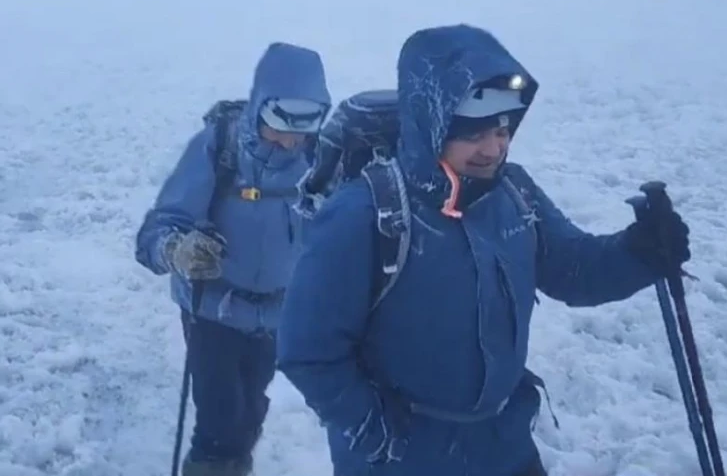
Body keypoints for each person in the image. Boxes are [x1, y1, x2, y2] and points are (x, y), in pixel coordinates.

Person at [275, 24, 691, 476]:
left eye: (503, 128)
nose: (494, 148)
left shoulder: (515, 195)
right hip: (402, 460)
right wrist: (375, 432)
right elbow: (308, 348)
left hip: (503, 447)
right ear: (432, 123)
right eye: (473, 133)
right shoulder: (364, 214)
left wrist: (640, 251)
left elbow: (574, 269)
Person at [135, 41, 332, 476]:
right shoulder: (219, 149)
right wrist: (177, 249)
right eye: (279, 122)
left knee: (250, 408)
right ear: (261, 105)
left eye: (304, 125)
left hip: (278, 315)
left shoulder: (321, 161)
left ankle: (234, 462)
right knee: (220, 419)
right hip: (213, 312)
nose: (289, 139)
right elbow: (158, 228)